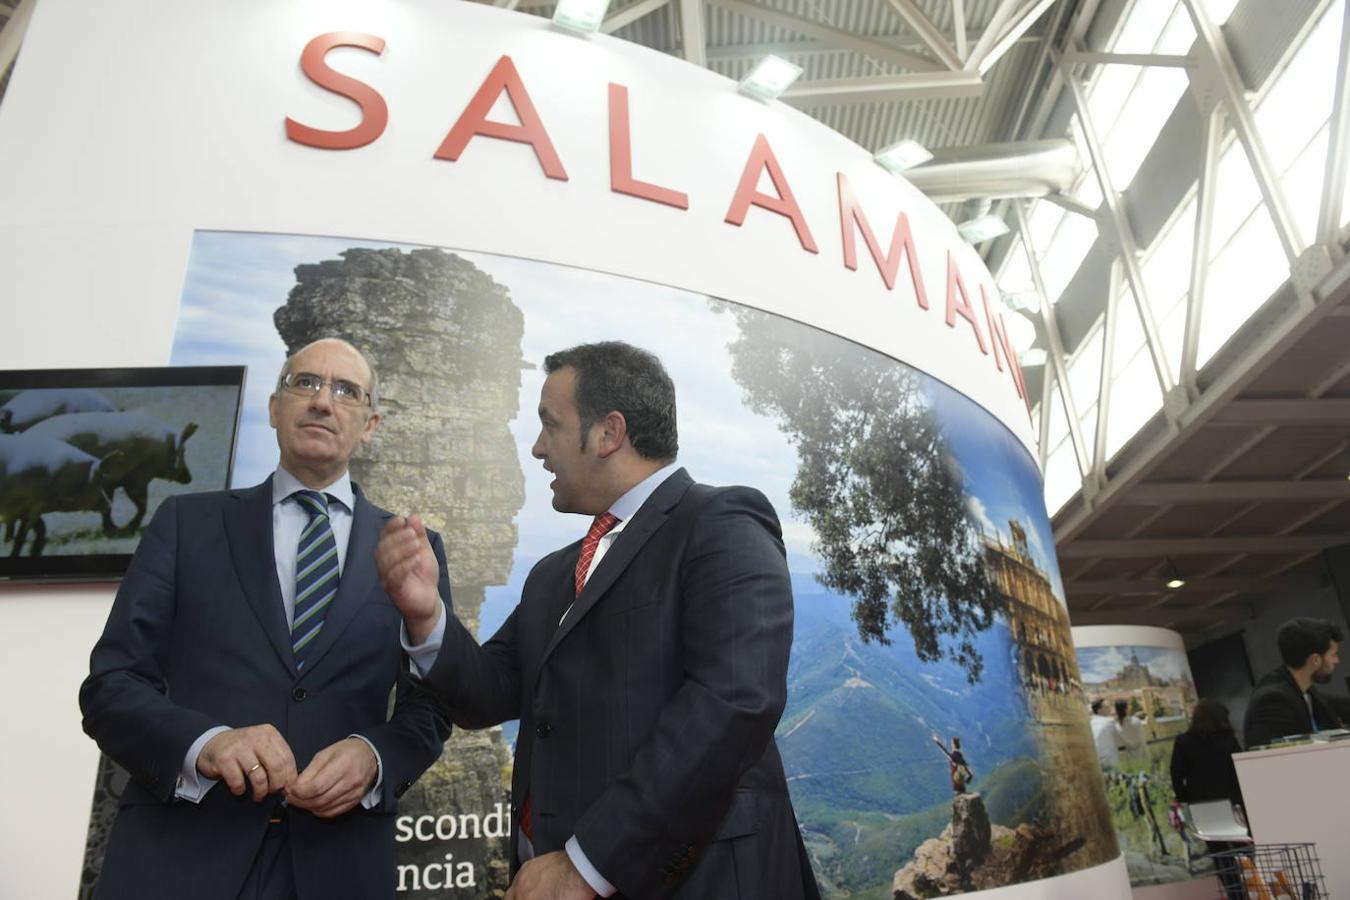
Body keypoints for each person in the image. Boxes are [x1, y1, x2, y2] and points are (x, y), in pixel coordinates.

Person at [376, 341, 820, 899]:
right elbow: (489, 693)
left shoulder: (721, 523)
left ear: (609, 433)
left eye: (550, 425)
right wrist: (427, 616)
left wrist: (586, 865)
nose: (538, 449)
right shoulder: (551, 576)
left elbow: (733, 703)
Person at [79, 339, 451, 899]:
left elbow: (431, 708)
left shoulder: (412, 549)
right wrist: (205, 743)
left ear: (369, 424)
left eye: (346, 391)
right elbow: (110, 686)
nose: (323, 402)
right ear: (275, 407)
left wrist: (375, 757)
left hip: (338, 865)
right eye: (306, 383)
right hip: (179, 858)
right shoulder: (185, 525)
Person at [1170, 699, 1246, 899]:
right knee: (1244, 851)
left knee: (1221, 857)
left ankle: (1235, 893)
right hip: (1232, 804)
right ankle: (1255, 890)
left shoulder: (1183, 741)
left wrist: (1186, 801)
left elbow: (1176, 776)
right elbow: (1240, 771)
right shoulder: (1228, 739)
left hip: (1202, 806)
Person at [1243, 617, 1345, 747]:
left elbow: (1333, 704)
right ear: (1315, 660)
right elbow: (1266, 758)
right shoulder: (1273, 700)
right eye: (1333, 655)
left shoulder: (1301, 690)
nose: (1336, 661)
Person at [1090, 698, 1120, 769]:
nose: (1110, 709)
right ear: (1099, 710)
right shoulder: (1109, 722)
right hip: (1110, 762)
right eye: (1106, 707)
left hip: (1096, 763)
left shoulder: (1090, 724)